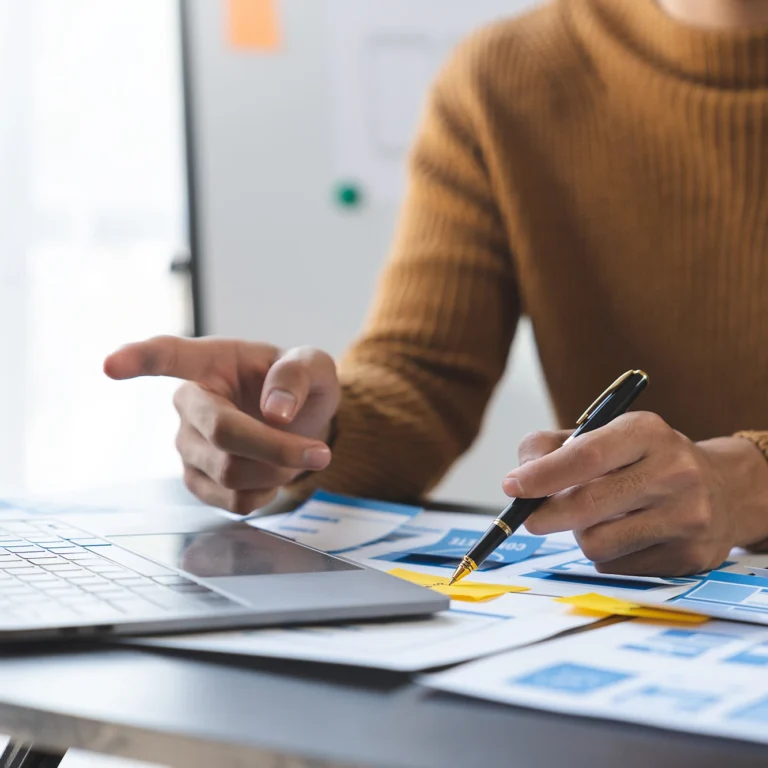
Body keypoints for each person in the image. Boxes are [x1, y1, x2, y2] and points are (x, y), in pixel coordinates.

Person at [104, 0, 768, 578]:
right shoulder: (507, 75)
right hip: (648, 631)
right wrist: (307, 433)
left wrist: (751, 483)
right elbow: (426, 375)